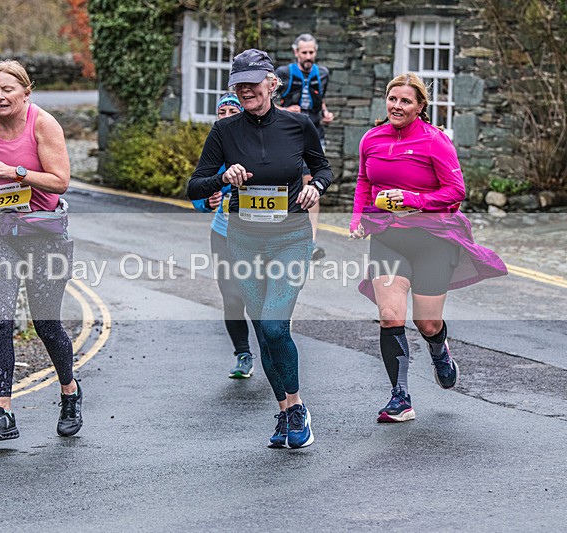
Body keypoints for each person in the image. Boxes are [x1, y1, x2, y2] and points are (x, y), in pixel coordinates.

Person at [187, 49, 333, 449]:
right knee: (263, 331)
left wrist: (314, 187)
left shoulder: (298, 124)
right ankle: (284, 410)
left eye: (254, 80)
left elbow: (323, 168)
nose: (246, 88)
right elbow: (194, 187)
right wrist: (223, 178)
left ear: (272, 82)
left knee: (273, 325)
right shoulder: (225, 132)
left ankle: (299, 407)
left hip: (291, 237)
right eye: (240, 82)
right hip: (245, 241)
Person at [349, 72, 507, 423]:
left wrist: (412, 199)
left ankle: (439, 350)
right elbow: (364, 181)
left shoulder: (435, 141)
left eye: (406, 101)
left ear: (421, 106)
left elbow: (456, 191)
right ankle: (400, 397)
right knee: (390, 316)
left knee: (427, 321)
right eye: (392, 99)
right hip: (388, 238)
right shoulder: (372, 139)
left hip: (434, 240)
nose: (397, 106)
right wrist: (358, 217)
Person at [0, 60, 82, 441]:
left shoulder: (43, 124)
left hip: (44, 235)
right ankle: (3, 411)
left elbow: (60, 182)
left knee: (46, 324)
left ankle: (70, 392)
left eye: (7, 89)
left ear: (26, 92)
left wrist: (18, 173)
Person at [191, 93, 256, 379]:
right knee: (232, 297)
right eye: (222, 111)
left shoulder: (256, 144)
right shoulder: (215, 147)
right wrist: (208, 200)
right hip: (223, 233)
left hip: (257, 236)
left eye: (233, 111)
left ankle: (271, 347)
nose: (227, 116)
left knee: (257, 297)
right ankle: (243, 354)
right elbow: (198, 187)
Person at [276, 33, 335, 261]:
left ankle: (310, 242)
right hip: (289, 136)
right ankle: (286, 238)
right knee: (288, 183)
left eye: (311, 52)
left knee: (312, 185)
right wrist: (286, 111)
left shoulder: (323, 74)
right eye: (304, 53)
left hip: (314, 135)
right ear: (296, 53)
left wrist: (325, 114)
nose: (308, 57)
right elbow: (266, 103)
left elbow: (320, 100)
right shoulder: (283, 74)